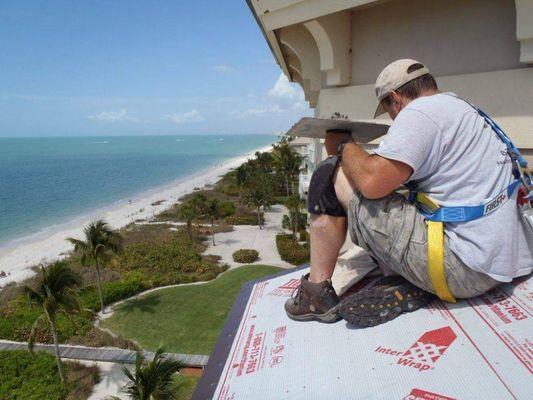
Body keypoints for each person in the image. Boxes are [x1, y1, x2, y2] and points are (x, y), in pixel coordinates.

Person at [285, 59, 533, 327]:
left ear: (395, 99)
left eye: (390, 111)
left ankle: (315, 294)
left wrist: (343, 145)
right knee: (399, 188)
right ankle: (396, 278)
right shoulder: (462, 108)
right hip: (505, 259)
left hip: (465, 269)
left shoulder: (419, 113)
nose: (394, 118)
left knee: (331, 173)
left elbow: (371, 182)